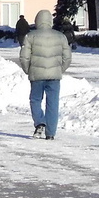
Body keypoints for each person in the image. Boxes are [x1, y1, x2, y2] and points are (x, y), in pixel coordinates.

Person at [19, 10, 71, 140]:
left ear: (37, 21)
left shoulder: (30, 36)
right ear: (50, 21)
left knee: (35, 100)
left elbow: (24, 57)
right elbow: (67, 57)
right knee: (53, 103)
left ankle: (40, 122)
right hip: (54, 76)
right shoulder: (60, 36)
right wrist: (60, 69)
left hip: (36, 75)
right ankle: (50, 133)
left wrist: (28, 70)